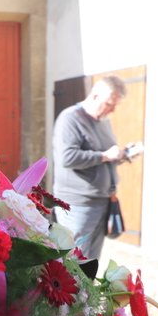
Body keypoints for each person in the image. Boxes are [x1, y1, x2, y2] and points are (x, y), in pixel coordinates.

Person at [52, 75, 134, 279]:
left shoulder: (103, 123)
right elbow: (67, 157)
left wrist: (123, 154)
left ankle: (83, 303)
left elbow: (105, 157)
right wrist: (105, 155)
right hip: (77, 205)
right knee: (72, 260)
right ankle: (66, 306)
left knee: (90, 262)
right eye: (109, 104)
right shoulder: (70, 118)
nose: (112, 110)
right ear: (95, 95)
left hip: (101, 201)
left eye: (114, 105)